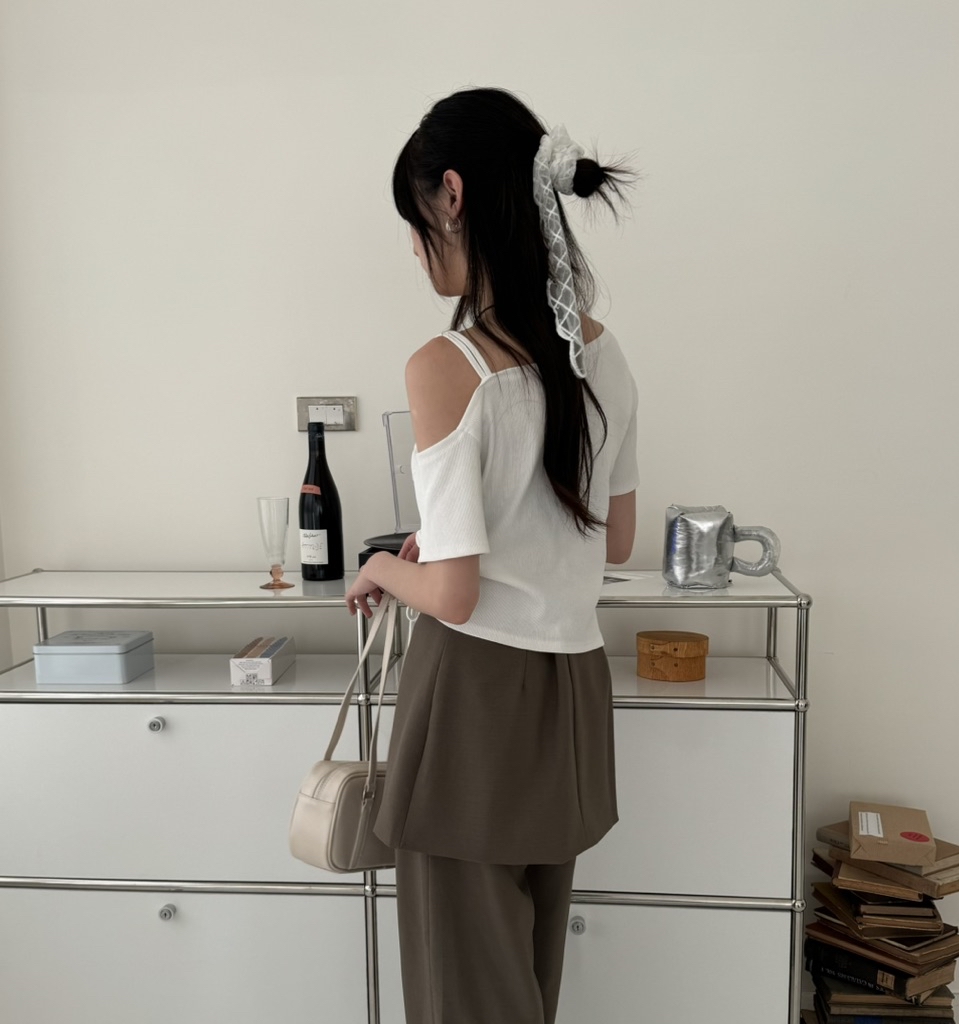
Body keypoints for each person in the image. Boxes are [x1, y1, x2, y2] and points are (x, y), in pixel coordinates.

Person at [344, 87, 639, 1024]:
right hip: (570, 698)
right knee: (524, 988)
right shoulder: (605, 354)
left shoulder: (448, 366)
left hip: (472, 701)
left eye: (413, 220)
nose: (414, 248)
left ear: (452, 194)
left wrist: (382, 569)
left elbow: (456, 596)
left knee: (461, 994)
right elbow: (615, 539)